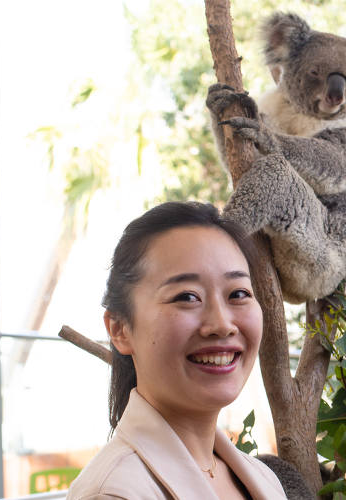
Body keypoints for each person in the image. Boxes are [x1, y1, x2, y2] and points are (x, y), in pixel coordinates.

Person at [68, 201, 289, 499]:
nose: (222, 325)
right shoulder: (113, 493)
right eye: (186, 297)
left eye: (238, 293)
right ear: (119, 329)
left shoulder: (263, 478)